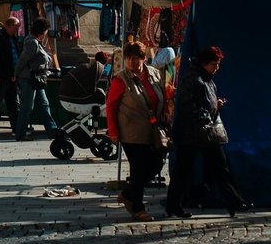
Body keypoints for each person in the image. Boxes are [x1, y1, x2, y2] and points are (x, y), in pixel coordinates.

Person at [165, 44, 248, 219]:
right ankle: (174, 204)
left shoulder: (207, 79)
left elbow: (205, 104)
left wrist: (216, 105)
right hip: (191, 133)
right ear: (204, 63)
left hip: (206, 132)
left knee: (220, 167)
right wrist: (208, 112)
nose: (216, 68)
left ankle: (234, 201)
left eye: (218, 65)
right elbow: (186, 104)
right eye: (214, 64)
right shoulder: (193, 78)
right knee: (184, 171)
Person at [106, 41, 168, 222]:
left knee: (156, 164)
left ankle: (128, 194)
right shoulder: (121, 79)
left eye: (136, 58)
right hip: (131, 131)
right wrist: (113, 131)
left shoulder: (155, 74)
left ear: (143, 58)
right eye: (129, 59)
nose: (132, 62)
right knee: (139, 168)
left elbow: (161, 96)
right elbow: (110, 106)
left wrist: (164, 113)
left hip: (153, 131)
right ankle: (137, 208)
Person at [12, 19, 55, 140]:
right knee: (27, 106)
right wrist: (15, 75)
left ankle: (52, 130)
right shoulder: (32, 42)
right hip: (28, 79)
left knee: (44, 104)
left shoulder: (37, 41)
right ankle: (20, 134)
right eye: (46, 30)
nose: (47, 32)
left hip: (37, 78)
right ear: (42, 30)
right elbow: (22, 60)